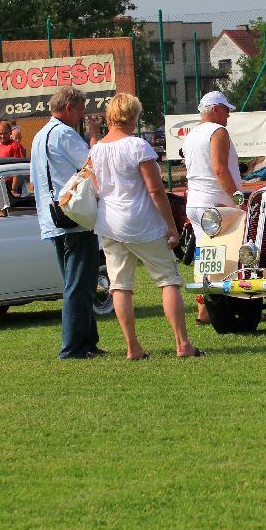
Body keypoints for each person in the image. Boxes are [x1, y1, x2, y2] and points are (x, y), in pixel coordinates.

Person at [90, 92, 203, 360]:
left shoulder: (96, 150)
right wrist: (171, 226)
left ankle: (133, 347)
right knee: (168, 280)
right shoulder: (138, 147)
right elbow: (156, 191)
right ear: (134, 115)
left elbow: (97, 186)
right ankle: (183, 344)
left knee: (120, 285)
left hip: (108, 223)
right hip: (141, 222)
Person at [31, 87, 105, 359]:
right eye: (81, 109)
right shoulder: (63, 134)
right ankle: (73, 347)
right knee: (78, 284)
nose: (83, 115)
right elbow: (92, 162)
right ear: (69, 108)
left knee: (78, 282)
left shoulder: (39, 136)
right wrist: (95, 135)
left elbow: (34, 179)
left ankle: (87, 342)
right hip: (74, 218)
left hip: (52, 219)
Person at [182, 91, 244, 325]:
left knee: (205, 257)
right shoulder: (218, 132)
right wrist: (238, 199)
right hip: (217, 203)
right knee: (232, 255)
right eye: (226, 109)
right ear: (216, 109)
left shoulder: (191, 134)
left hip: (196, 203)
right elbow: (219, 169)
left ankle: (204, 310)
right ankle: (243, 303)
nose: (228, 114)